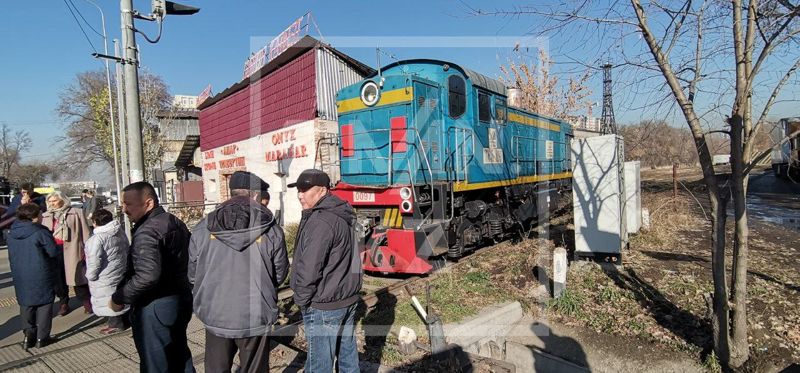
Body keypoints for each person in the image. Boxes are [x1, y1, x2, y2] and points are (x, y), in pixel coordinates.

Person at [189, 171, 288, 372]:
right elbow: (280, 273)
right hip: (255, 315)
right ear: (254, 196)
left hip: (216, 313)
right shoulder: (271, 230)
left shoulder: (203, 227)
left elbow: (193, 273)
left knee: (216, 368)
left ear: (232, 193)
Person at [109, 181, 194, 373]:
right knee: (180, 356)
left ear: (149, 203)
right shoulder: (172, 221)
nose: (124, 209)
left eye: (129, 204)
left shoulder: (148, 231)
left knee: (155, 363)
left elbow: (147, 276)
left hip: (155, 305)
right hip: (179, 299)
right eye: (123, 204)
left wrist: (119, 297)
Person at [289, 169, 363, 372]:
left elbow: (310, 267)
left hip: (324, 304)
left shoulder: (321, 221)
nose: (299, 195)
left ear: (322, 190)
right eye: (298, 190)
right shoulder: (342, 213)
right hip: (345, 299)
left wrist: (302, 300)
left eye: (305, 189)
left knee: (320, 364)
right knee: (348, 359)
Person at [7, 203, 60, 349]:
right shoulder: (40, 232)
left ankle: (28, 335)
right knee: (44, 304)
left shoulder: (11, 233)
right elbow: (53, 252)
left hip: (20, 273)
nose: (43, 217)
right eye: (41, 214)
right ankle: (42, 338)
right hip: (41, 272)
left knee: (26, 304)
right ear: (35, 217)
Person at [42, 191, 92, 315]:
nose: (52, 203)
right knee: (59, 279)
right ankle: (63, 302)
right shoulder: (45, 216)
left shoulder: (76, 212)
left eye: (54, 200)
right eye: (50, 201)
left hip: (73, 249)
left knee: (78, 278)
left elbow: (85, 232)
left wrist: (88, 249)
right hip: (54, 251)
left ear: (62, 200)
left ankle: (87, 302)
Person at [85, 209, 130, 335]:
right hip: (119, 269)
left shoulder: (97, 239)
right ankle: (123, 320)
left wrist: (91, 275)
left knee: (108, 298)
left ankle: (115, 324)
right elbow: (127, 247)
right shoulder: (119, 231)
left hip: (104, 273)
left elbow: (94, 260)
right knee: (118, 295)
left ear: (95, 222)